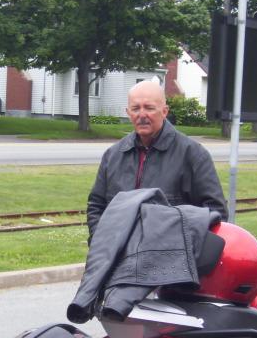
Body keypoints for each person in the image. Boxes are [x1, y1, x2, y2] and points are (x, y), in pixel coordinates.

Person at [86, 79, 227, 238]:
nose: (142, 115)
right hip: (118, 258)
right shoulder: (113, 156)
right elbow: (96, 207)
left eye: (149, 108)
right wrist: (103, 245)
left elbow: (216, 213)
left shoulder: (193, 155)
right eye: (135, 108)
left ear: (165, 111)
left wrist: (181, 250)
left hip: (171, 258)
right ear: (127, 112)